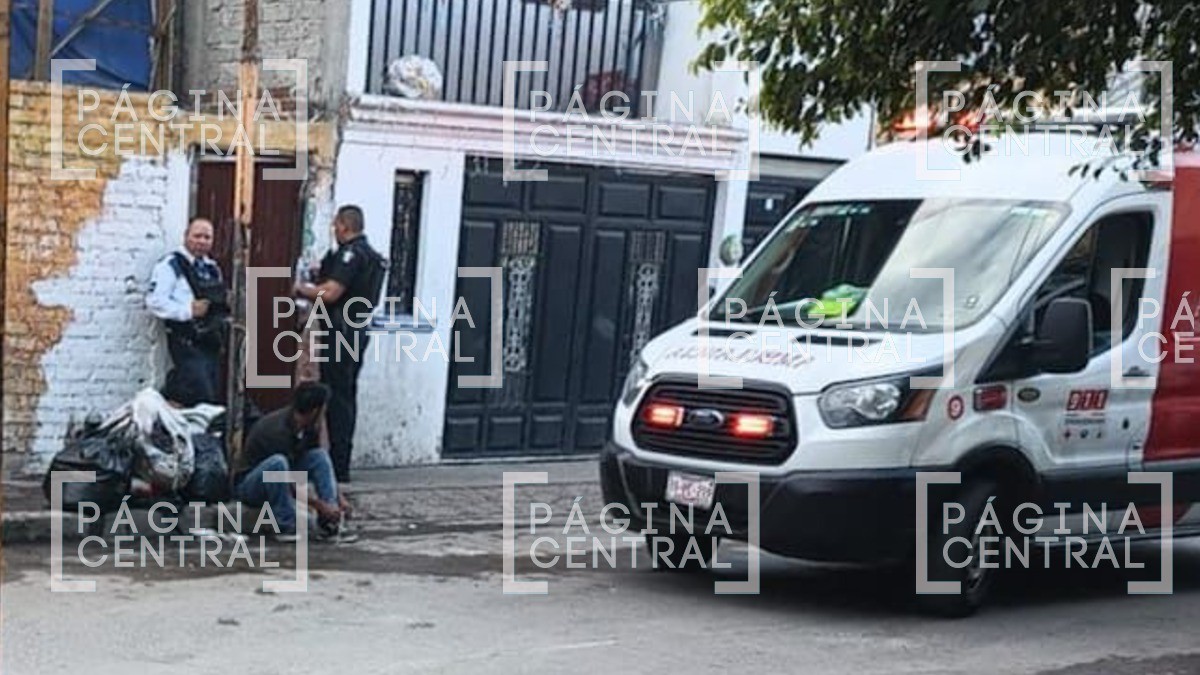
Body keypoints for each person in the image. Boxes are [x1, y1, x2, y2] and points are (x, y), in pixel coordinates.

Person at [294, 205, 386, 483]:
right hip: (355, 330)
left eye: (335, 226)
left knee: (337, 398)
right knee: (343, 395)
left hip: (342, 331)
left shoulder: (351, 254)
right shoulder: (370, 255)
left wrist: (300, 289)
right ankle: (335, 462)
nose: (333, 230)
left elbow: (331, 293)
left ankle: (335, 465)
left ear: (344, 226)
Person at [230, 381, 348, 538]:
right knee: (278, 464)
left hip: (284, 473)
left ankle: (331, 521)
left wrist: (339, 500)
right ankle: (285, 524)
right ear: (315, 411)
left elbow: (316, 463)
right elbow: (287, 483)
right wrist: (319, 505)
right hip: (251, 485)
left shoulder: (310, 427)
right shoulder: (276, 431)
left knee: (319, 457)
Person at [146, 218, 229, 405]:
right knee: (199, 394)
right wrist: (187, 310)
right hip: (185, 341)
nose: (202, 241)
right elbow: (155, 301)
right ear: (186, 236)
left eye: (207, 237)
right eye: (197, 236)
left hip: (210, 342)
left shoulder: (212, 268)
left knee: (211, 394)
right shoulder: (171, 265)